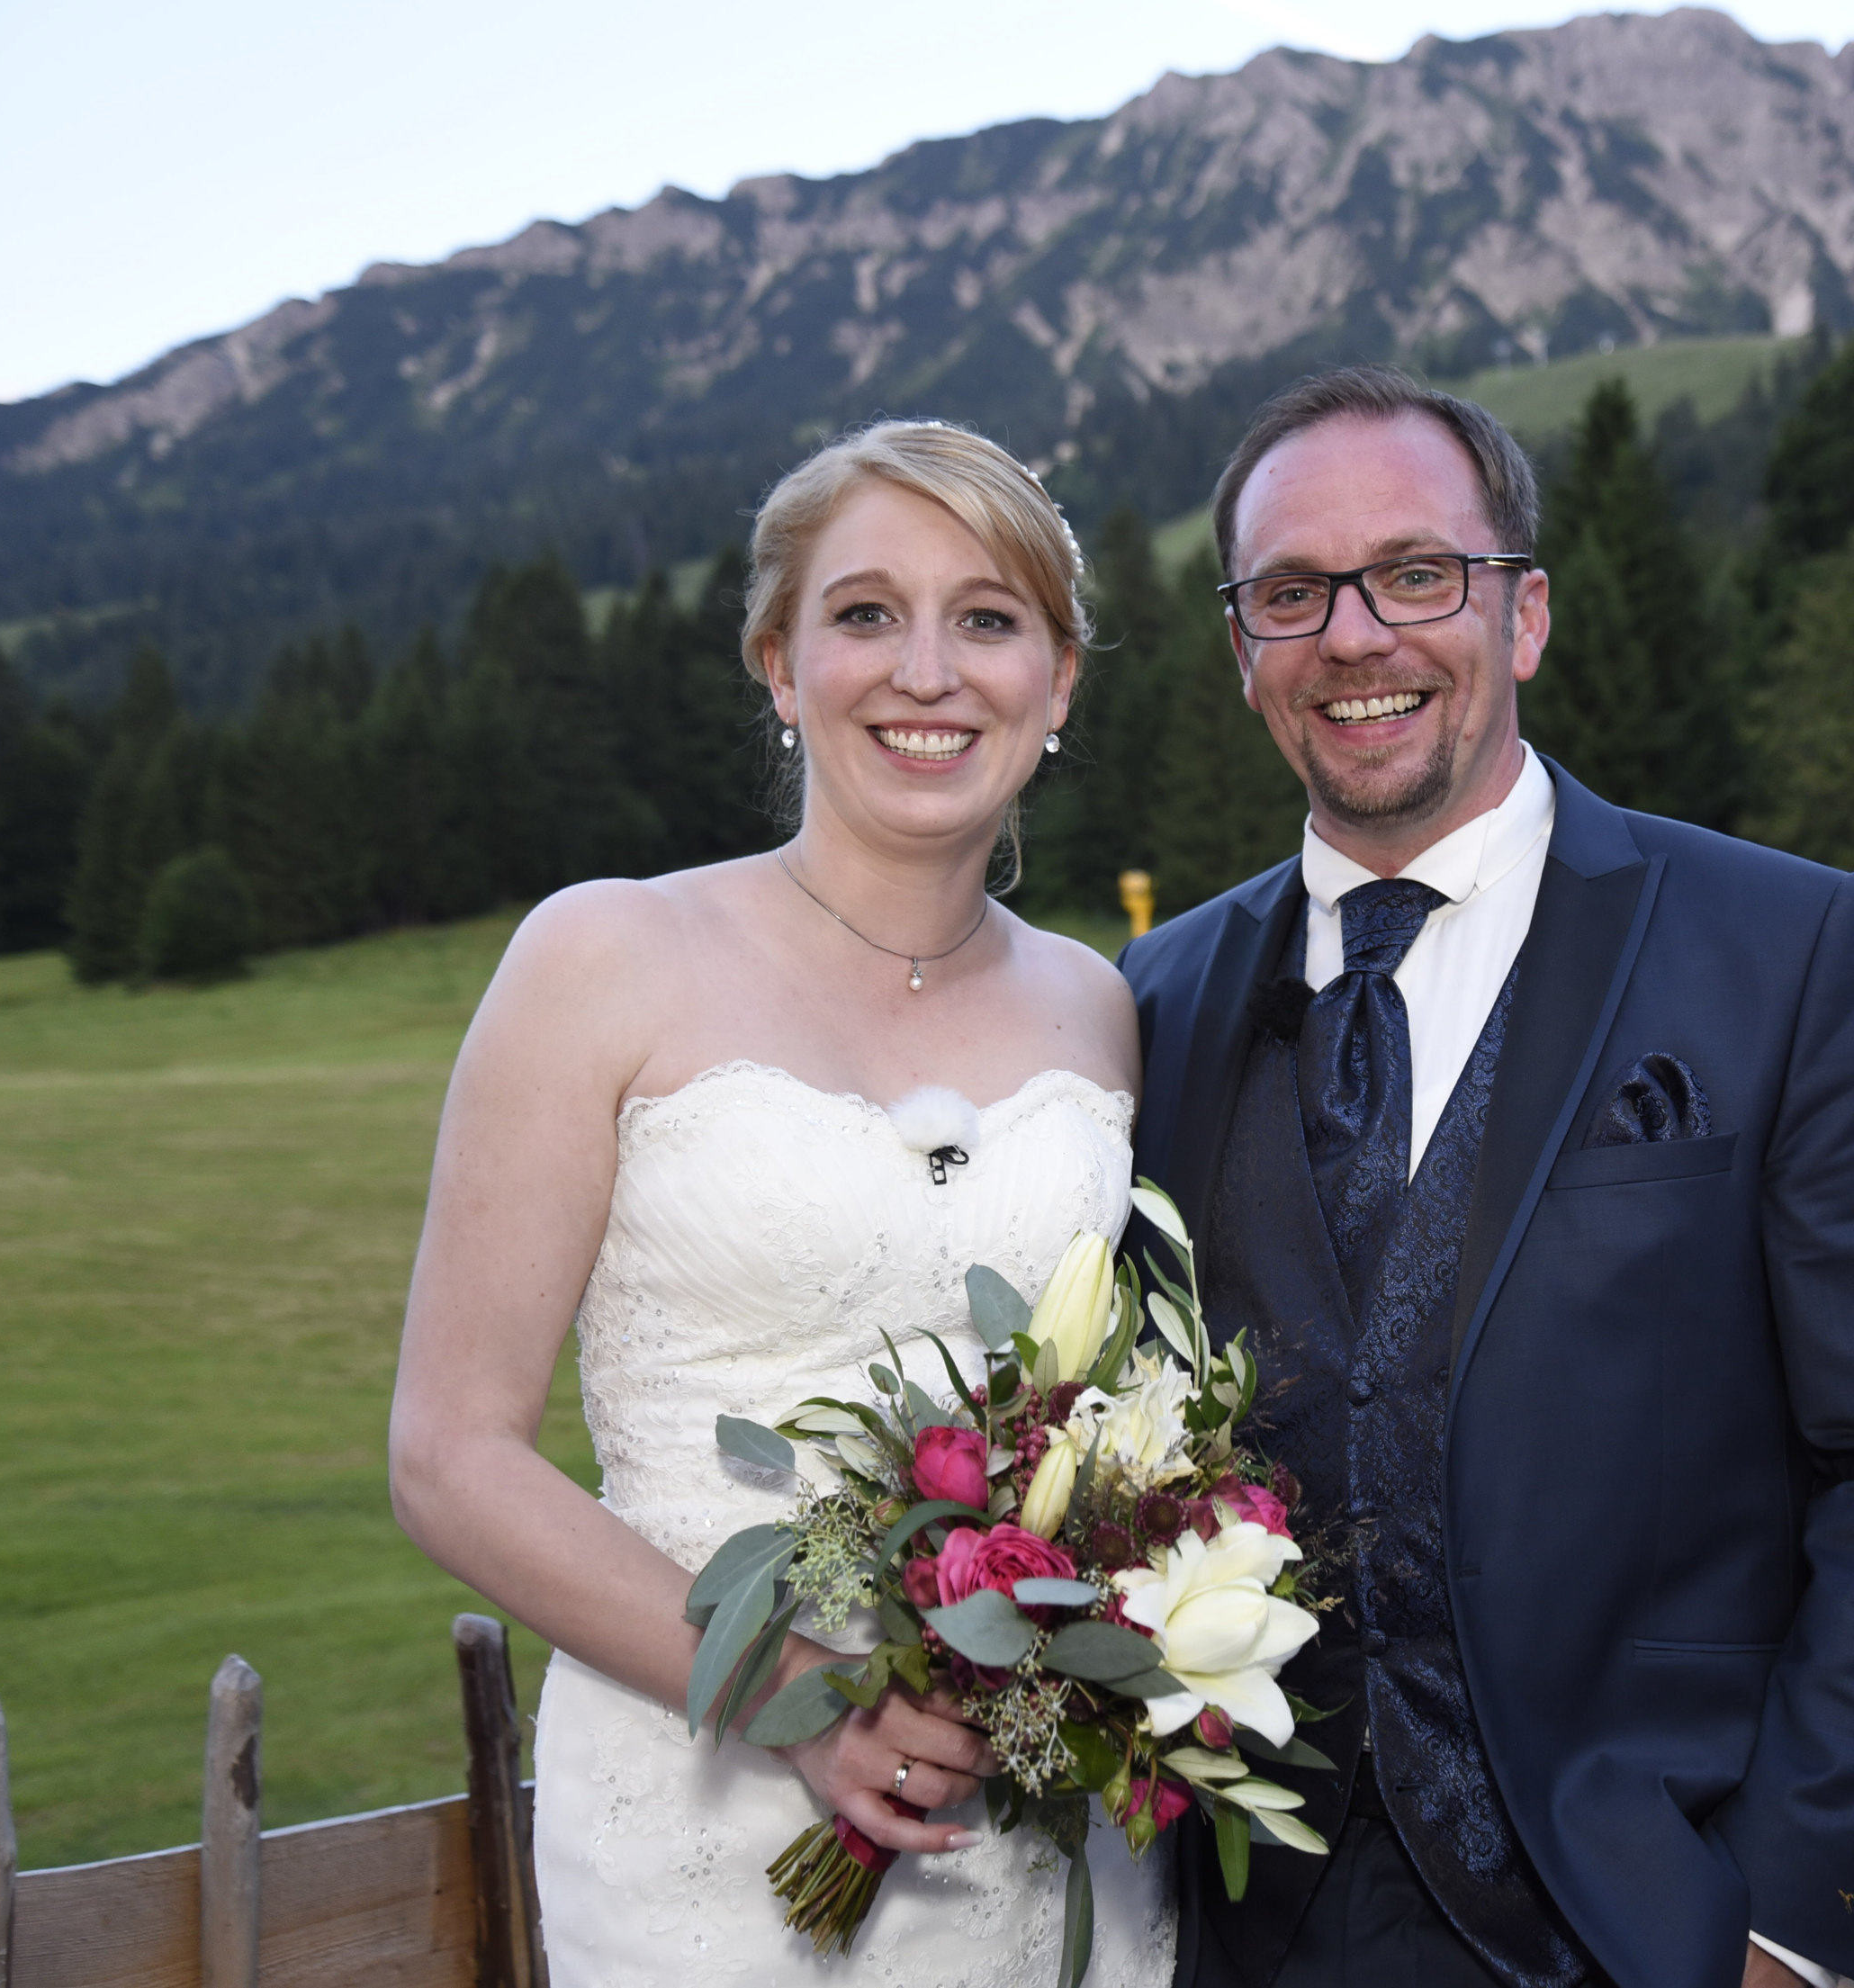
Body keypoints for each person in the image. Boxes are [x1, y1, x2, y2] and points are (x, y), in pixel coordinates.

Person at [1121, 367, 1854, 1988]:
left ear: (1522, 614)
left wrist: (1785, 1927)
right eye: (1290, 592)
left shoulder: (1783, 946)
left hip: (1645, 1924)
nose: (1355, 635)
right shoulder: (1153, 1003)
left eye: (1415, 573)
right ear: (1242, 648)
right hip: (1247, 1933)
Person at [389, 420, 1174, 1986]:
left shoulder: (1101, 1006)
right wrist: (803, 1695)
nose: (926, 671)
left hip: (1033, 1829)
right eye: (866, 613)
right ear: (777, 659)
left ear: (1060, 680)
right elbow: (450, 1456)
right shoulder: (602, 957)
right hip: (708, 1823)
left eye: (989, 618)